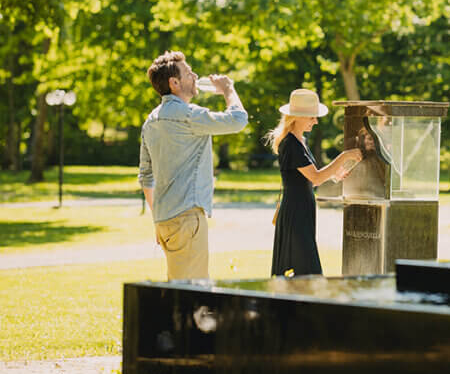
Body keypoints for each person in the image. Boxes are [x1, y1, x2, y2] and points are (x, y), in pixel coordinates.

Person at [138, 51, 248, 280]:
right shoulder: (189, 115)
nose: (195, 75)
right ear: (174, 82)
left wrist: (158, 219)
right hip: (187, 217)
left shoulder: (150, 121)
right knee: (191, 295)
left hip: (165, 220)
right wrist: (228, 89)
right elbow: (238, 120)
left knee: (182, 289)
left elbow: (146, 177)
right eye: (188, 73)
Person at [266, 88, 361, 277]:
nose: (316, 121)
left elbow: (308, 179)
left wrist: (334, 174)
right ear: (297, 117)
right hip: (296, 212)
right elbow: (316, 177)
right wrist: (344, 156)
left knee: (303, 270)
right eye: (312, 117)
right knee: (307, 270)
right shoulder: (291, 144)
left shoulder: (300, 141)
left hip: (302, 209)